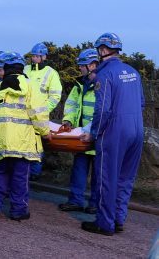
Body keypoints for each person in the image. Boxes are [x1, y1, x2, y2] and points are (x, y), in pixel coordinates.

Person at [81, 33, 145, 236]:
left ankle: (105, 223)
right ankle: (118, 218)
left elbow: (103, 110)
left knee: (107, 177)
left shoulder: (105, 74)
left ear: (101, 50)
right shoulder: (133, 71)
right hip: (137, 129)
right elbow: (142, 103)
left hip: (115, 131)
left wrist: (93, 133)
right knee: (125, 178)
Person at [0, 52, 50, 220]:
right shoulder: (30, 86)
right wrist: (46, 133)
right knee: (20, 178)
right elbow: (39, 114)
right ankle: (18, 210)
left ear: (5, 68)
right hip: (22, 142)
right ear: (21, 68)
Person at [58, 48, 99, 214]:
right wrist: (68, 120)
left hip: (97, 135)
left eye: (83, 65)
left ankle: (95, 203)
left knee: (98, 174)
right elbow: (72, 105)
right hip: (81, 136)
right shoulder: (79, 85)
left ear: (93, 65)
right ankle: (76, 200)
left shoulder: (102, 84)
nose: (80, 68)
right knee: (79, 170)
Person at [24, 42, 62, 180]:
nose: (34, 58)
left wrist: (43, 110)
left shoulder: (51, 73)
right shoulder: (26, 69)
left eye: (37, 56)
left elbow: (55, 96)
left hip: (39, 116)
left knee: (38, 144)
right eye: (33, 56)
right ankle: (25, 173)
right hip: (23, 114)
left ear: (44, 57)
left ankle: (35, 173)